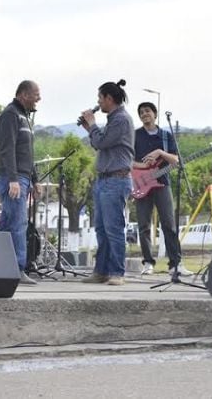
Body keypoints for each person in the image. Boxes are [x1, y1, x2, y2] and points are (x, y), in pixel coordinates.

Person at [80, 79, 135, 286]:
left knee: (113, 228)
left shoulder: (121, 119)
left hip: (116, 179)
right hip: (104, 179)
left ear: (109, 98)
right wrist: (90, 129)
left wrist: (93, 124)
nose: (98, 103)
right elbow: (98, 143)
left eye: (100, 99)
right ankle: (101, 270)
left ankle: (117, 272)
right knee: (101, 229)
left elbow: (102, 141)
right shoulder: (113, 120)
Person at [132, 101, 191, 277]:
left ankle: (175, 264)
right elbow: (127, 161)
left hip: (162, 184)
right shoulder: (135, 136)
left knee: (169, 225)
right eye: (141, 112)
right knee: (143, 225)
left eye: (148, 111)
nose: (144, 114)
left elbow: (175, 160)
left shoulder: (166, 136)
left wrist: (159, 152)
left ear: (155, 114)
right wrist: (143, 168)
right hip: (142, 183)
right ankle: (148, 262)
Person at [0, 80, 41, 285]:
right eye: (35, 94)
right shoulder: (10, 115)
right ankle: (17, 268)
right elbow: (7, 149)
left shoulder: (24, 117)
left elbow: (27, 153)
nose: (39, 98)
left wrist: (35, 178)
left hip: (22, 177)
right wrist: (13, 179)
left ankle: (0, 266)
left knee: (7, 224)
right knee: (18, 224)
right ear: (23, 95)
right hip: (12, 178)